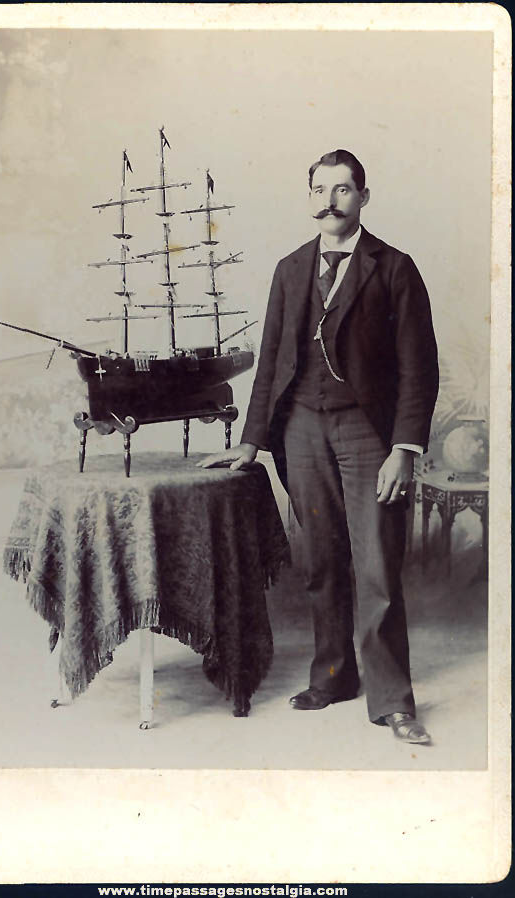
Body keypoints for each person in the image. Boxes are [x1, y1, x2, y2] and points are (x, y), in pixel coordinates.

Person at [198, 149, 439, 745]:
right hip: (300, 429)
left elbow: (419, 367)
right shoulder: (289, 268)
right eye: (321, 188)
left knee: (376, 565)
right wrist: (252, 441)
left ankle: (392, 701)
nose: (331, 199)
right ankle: (332, 677)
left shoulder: (394, 268)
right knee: (322, 561)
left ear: (363, 197)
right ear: (309, 197)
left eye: (344, 189)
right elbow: (272, 361)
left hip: (367, 433)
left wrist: (403, 449)